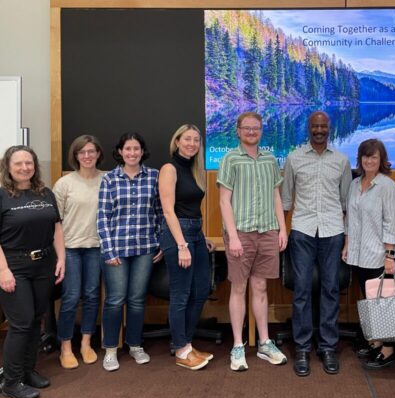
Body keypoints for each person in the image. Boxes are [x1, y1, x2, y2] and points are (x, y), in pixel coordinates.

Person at [281, 111, 352, 376]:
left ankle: (328, 347)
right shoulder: (294, 158)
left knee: (330, 289)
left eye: (323, 125)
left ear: (329, 128)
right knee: (301, 290)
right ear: (308, 127)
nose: (319, 129)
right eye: (315, 126)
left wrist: (348, 236)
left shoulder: (342, 160)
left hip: (333, 231)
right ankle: (301, 348)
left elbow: (346, 203)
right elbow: (286, 199)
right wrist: (282, 231)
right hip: (302, 230)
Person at [218, 111, 288, 372]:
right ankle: (238, 346)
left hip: (268, 231)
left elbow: (276, 196)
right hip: (241, 234)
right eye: (246, 128)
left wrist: (282, 229)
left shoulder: (270, 159)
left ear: (261, 130)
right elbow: (224, 200)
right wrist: (233, 236)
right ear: (238, 131)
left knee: (260, 287)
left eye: (256, 128)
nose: (251, 132)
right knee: (239, 288)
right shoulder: (230, 159)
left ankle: (264, 343)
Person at [0, 145, 65, 398]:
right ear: (8, 166)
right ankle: (11, 381)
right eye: (18, 163)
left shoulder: (45, 193)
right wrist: (3, 270)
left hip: (44, 263)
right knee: (21, 323)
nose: (25, 167)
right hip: (14, 266)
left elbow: (57, 228)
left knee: (37, 319)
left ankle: (27, 371)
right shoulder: (2, 195)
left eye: (29, 163)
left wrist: (62, 258)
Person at [97, 132, 163, 372]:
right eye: (128, 149)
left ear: (142, 151)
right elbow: (102, 217)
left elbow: (160, 213)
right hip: (117, 250)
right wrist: (108, 249)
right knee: (115, 300)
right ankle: (111, 349)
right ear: (120, 152)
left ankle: (135, 345)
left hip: (146, 249)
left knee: (136, 300)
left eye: (136, 149)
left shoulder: (154, 176)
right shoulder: (110, 180)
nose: (132, 153)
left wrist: (160, 243)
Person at [341, 139, 395, 369]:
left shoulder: (387, 186)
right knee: (369, 302)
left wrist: (389, 256)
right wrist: (347, 244)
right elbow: (349, 219)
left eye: (374, 157)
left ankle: (388, 350)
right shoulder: (355, 184)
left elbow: (392, 223)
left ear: (381, 160)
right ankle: (375, 342)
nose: (369, 161)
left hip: (379, 254)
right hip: (358, 253)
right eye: (365, 157)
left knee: (383, 303)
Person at [159, 124, 215, 370]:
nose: (191, 143)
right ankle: (181, 349)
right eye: (187, 139)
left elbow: (192, 207)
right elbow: (169, 210)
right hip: (177, 234)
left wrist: (201, 237)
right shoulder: (169, 168)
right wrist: (182, 244)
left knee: (201, 290)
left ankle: (187, 344)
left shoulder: (194, 169)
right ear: (177, 141)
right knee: (181, 295)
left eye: (196, 139)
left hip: (195, 232)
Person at [53, 135, 105, 369]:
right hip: (71, 249)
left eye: (91, 151)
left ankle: (85, 342)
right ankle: (65, 347)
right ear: (75, 156)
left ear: (98, 154)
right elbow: (56, 222)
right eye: (82, 152)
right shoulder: (65, 183)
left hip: (96, 247)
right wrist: (60, 254)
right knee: (71, 297)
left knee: (93, 296)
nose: (87, 156)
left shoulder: (107, 180)